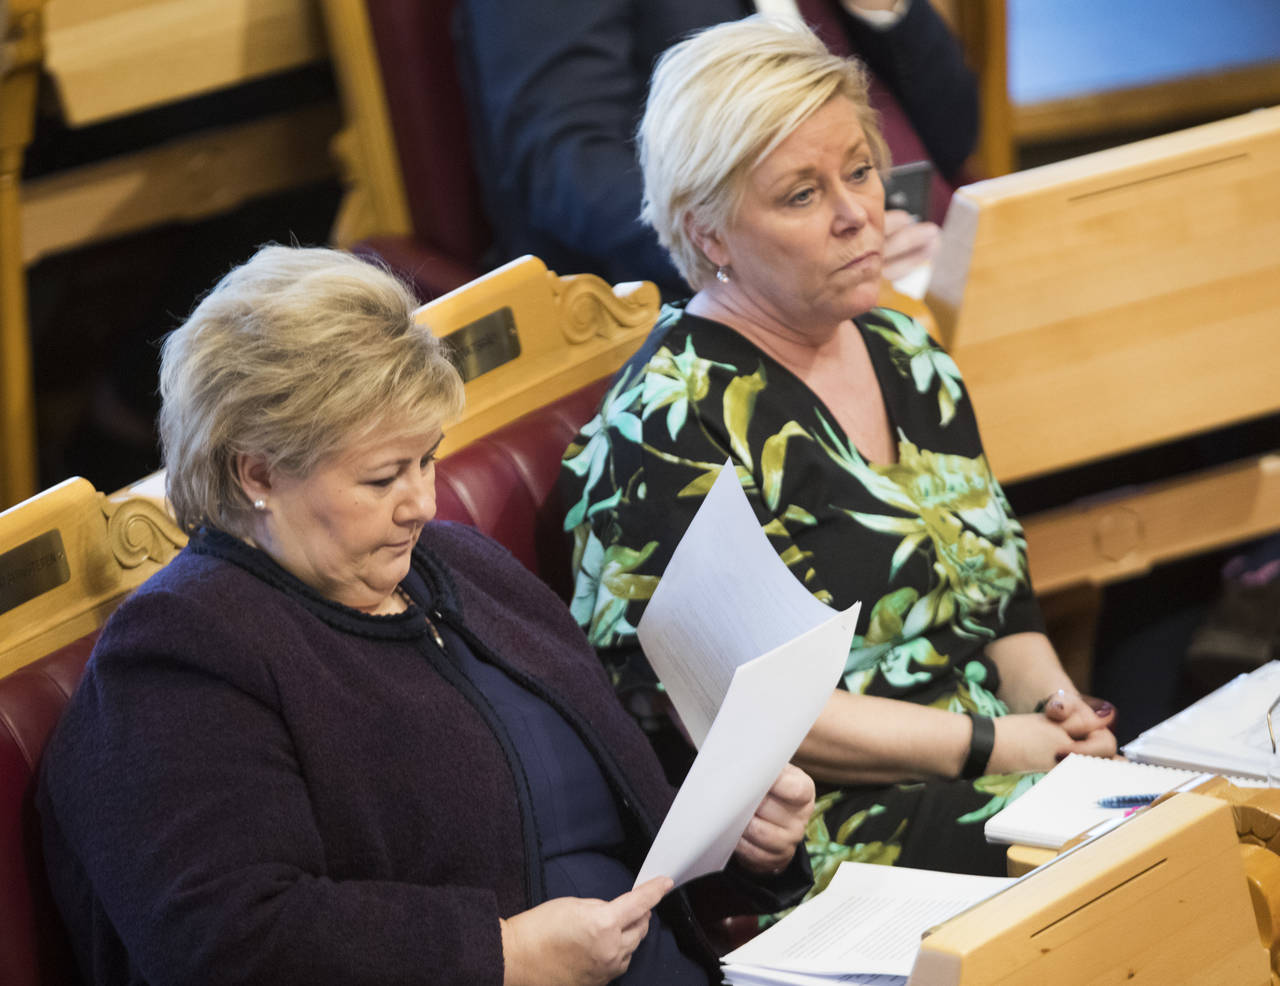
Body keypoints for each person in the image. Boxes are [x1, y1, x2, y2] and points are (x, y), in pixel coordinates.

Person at [36, 245, 816, 986]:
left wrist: (744, 840)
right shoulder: (181, 655)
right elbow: (225, 940)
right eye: (381, 479)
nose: (423, 504)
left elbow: (597, 804)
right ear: (257, 473)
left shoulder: (464, 567)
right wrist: (498, 957)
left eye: (428, 459)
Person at [558, 17, 1118, 884]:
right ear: (708, 234)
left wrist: (1061, 712)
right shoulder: (672, 418)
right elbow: (757, 715)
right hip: (830, 828)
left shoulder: (907, 350)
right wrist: (1004, 742)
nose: (861, 213)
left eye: (860, 171)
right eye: (803, 195)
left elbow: (1002, 605)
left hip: (1000, 759)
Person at [453, 0, 977, 297]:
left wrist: (885, 9)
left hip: (934, 250)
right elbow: (566, 163)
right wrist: (777, 259)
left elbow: (954, 141)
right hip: (736, 297)